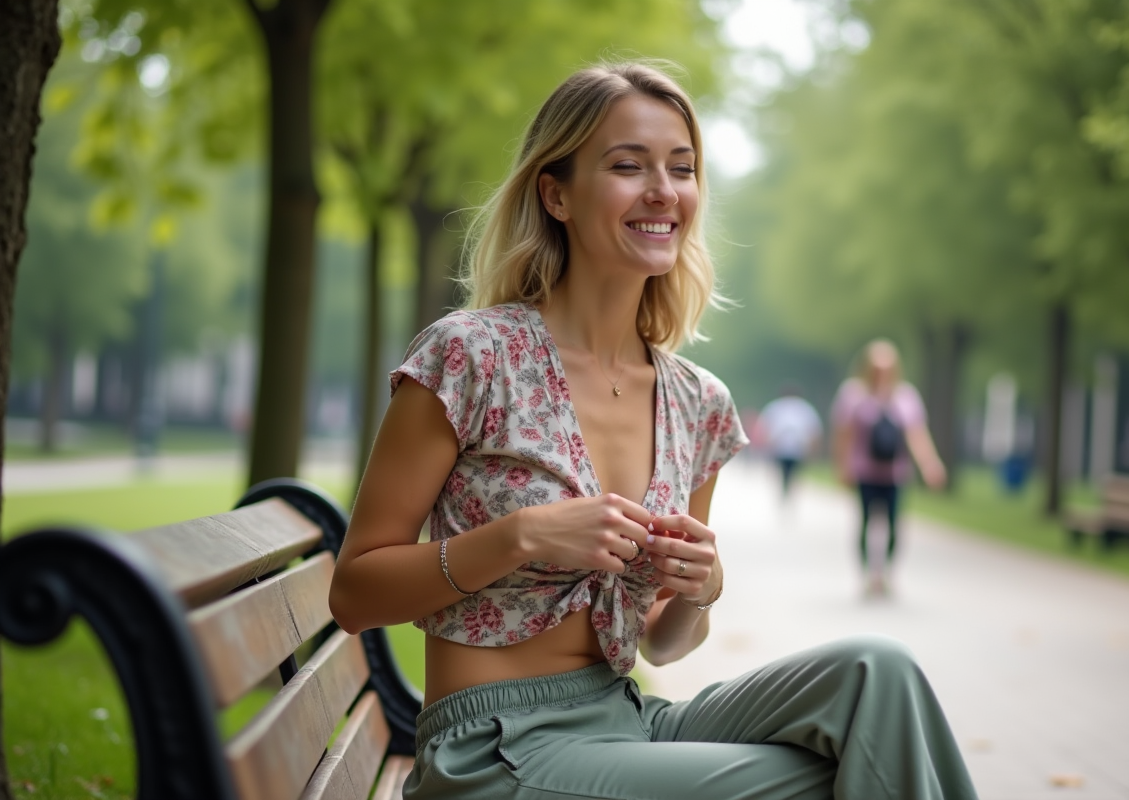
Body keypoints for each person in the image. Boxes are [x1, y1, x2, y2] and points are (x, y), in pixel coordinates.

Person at [330, 62, 977, 800]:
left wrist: (702, 588)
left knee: (878, 675)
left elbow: (662, 643)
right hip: (492, 750)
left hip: (625, 721)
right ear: (557, 194)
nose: (664, 190)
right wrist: (522, 536)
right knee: (843, 777)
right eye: (628, 166)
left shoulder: (697, 403)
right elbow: (354, 592)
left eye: (683, 168)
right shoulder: (472, 355)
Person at [832, 340, 946, 595]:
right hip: (864, 471)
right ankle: (867, 574)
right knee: (865, 522)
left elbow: (917, 435)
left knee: (895, 525)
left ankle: (885, 573)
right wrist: (843, 466)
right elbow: (844, 435)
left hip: (895, 473)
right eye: (876, 368)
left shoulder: (906, 397)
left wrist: (930, 464)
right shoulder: (853, 394)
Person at [756, 387, 823, 501]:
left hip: (783, 448)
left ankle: (785, 490)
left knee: (785, 472)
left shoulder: (776, 407)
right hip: (796, 448)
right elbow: (814, 430)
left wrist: (766, 445)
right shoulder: (805, 408)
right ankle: (787, 490)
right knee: (791, 472)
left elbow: (765, 427)